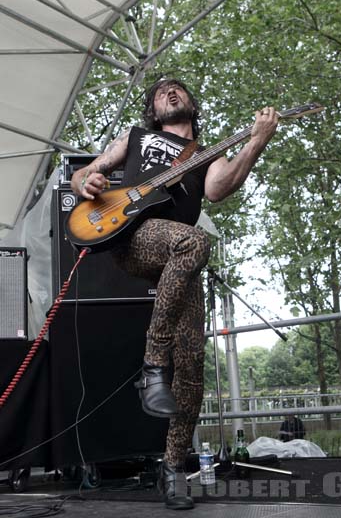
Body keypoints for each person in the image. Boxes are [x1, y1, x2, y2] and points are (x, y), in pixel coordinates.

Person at [70, 77, 278, 509]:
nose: (169, 92)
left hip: (180, 263)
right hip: (134, 236)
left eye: (177, 88)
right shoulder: (136, 137)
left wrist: (255, 142)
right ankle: (151, 364)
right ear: (152, 108)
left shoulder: (206, 154)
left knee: (192, 366)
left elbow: (218, 190)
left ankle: (173, 469)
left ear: (190, 102)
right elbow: (84, 174)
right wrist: (85, 184)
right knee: (196, 241)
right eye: (160, 91)